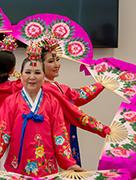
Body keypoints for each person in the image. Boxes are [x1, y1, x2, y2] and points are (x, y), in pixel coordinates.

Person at [0, 58, 84, 177]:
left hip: (45, 166)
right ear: (21, 76)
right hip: (17, 165)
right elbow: (2, 132)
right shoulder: (11, 102)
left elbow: (60, 134)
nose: (32, 77)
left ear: (44, 76)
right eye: (28, 72)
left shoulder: (52, 102)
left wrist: (69, 163)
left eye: (37, 72)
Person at [40, 37, 106, 165]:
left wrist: (100, 84)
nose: (56, 65)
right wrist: (101, 128)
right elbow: (75, 110)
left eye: (57, 60)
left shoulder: (58, 87)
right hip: (53, 137)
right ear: (40, 64)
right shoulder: (46, 88)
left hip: (63, 134)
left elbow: (77, 95)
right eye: (51, 61)